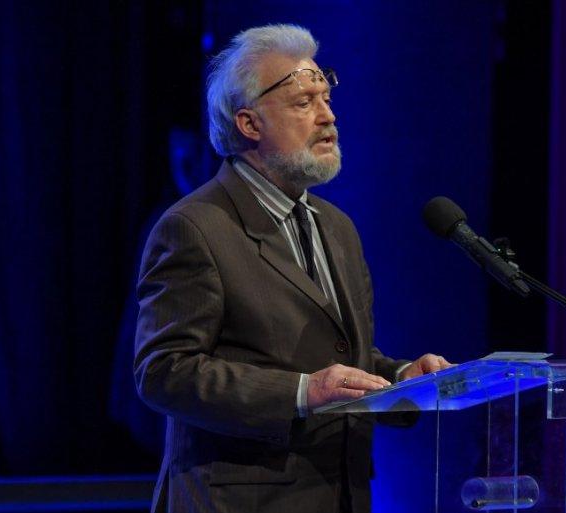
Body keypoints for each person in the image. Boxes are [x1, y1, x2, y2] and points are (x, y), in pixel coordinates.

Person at [134, 24, 451, 513]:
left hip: (341, 495)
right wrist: (302, 392)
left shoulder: (337, 226)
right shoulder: (194, 227)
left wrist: (402, 378)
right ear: (249, 124)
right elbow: (163, 372)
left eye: (326, 98)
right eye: (304, 103)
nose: (328, 116)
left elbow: (340, 358)